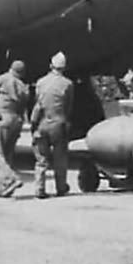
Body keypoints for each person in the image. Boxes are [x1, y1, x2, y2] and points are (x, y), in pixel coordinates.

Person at [0, 60, 31, 197]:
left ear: (11, 69)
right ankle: (4, 187)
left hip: (4, 118)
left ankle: (10, 179)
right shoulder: (23, 86)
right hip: (17, 120)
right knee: (7, 155)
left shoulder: (3, 78)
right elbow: (24, 106)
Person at [30, 51, 74, 199]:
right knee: (60, 158)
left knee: (41, 160)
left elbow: (38, 103)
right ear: (64, 68)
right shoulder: (68, 84)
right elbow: (68, 106)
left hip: (42, 123)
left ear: (51, 66)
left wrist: (33, 124)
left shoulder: (41, 82)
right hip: (59, 124)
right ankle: (61, 188)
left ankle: (39, 189)